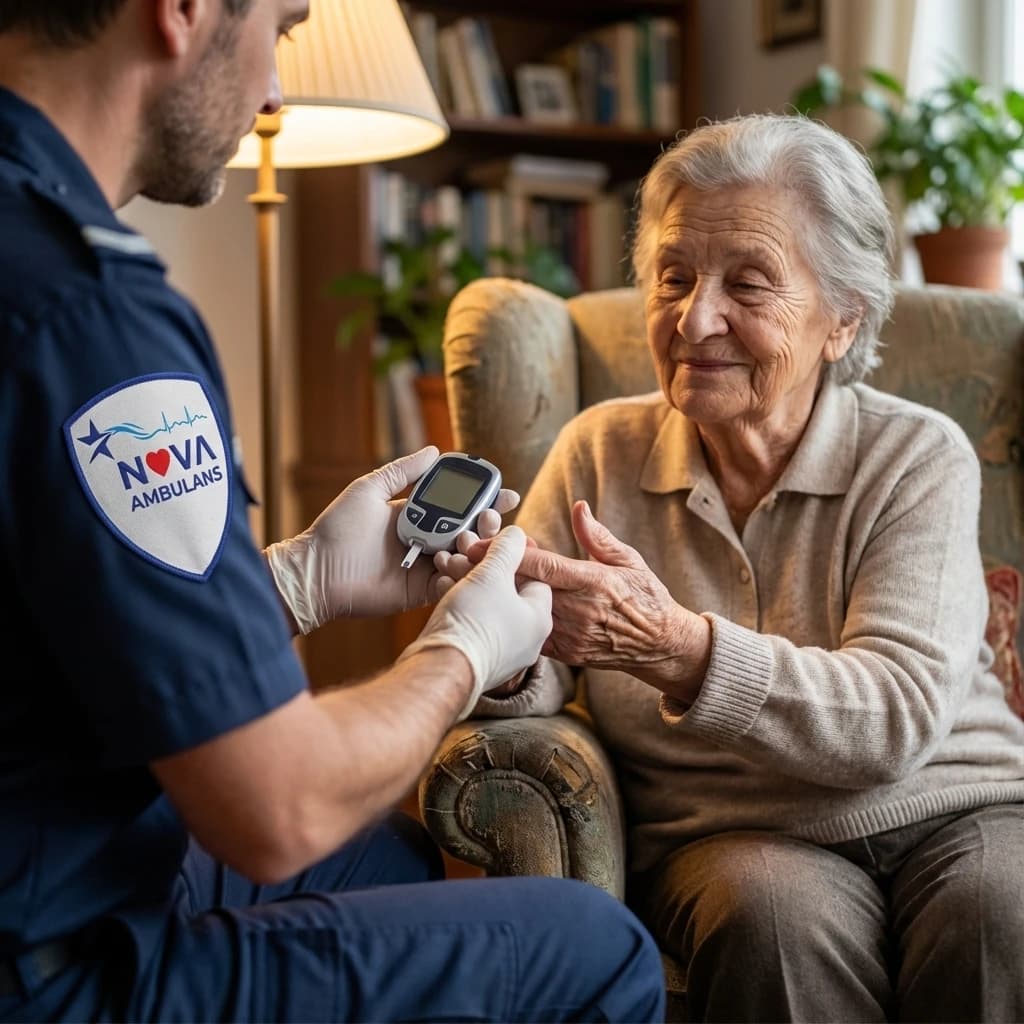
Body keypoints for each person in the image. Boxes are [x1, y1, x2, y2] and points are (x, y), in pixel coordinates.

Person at [0, 2, 667, 1021]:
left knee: (388, 854)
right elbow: (278, 807)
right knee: (598, 949)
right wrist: (463, 648)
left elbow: (57, 624)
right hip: (57, 964)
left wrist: (300, 578)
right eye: (281, 24)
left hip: (42, 841)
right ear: (181, 13)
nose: (273, 91)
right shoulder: (97, 320)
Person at [450, 113, 1024, 1022]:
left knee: (1006, 917)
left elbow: (897, 717)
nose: (694, 317)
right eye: (673, 277)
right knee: (769, 922)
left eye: (747, 284)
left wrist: (674, 646)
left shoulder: (919, 456)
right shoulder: (598, 451)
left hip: (959, 806)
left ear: (844, 322)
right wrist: (509, 643)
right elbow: (528, 685)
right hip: (732, 834)